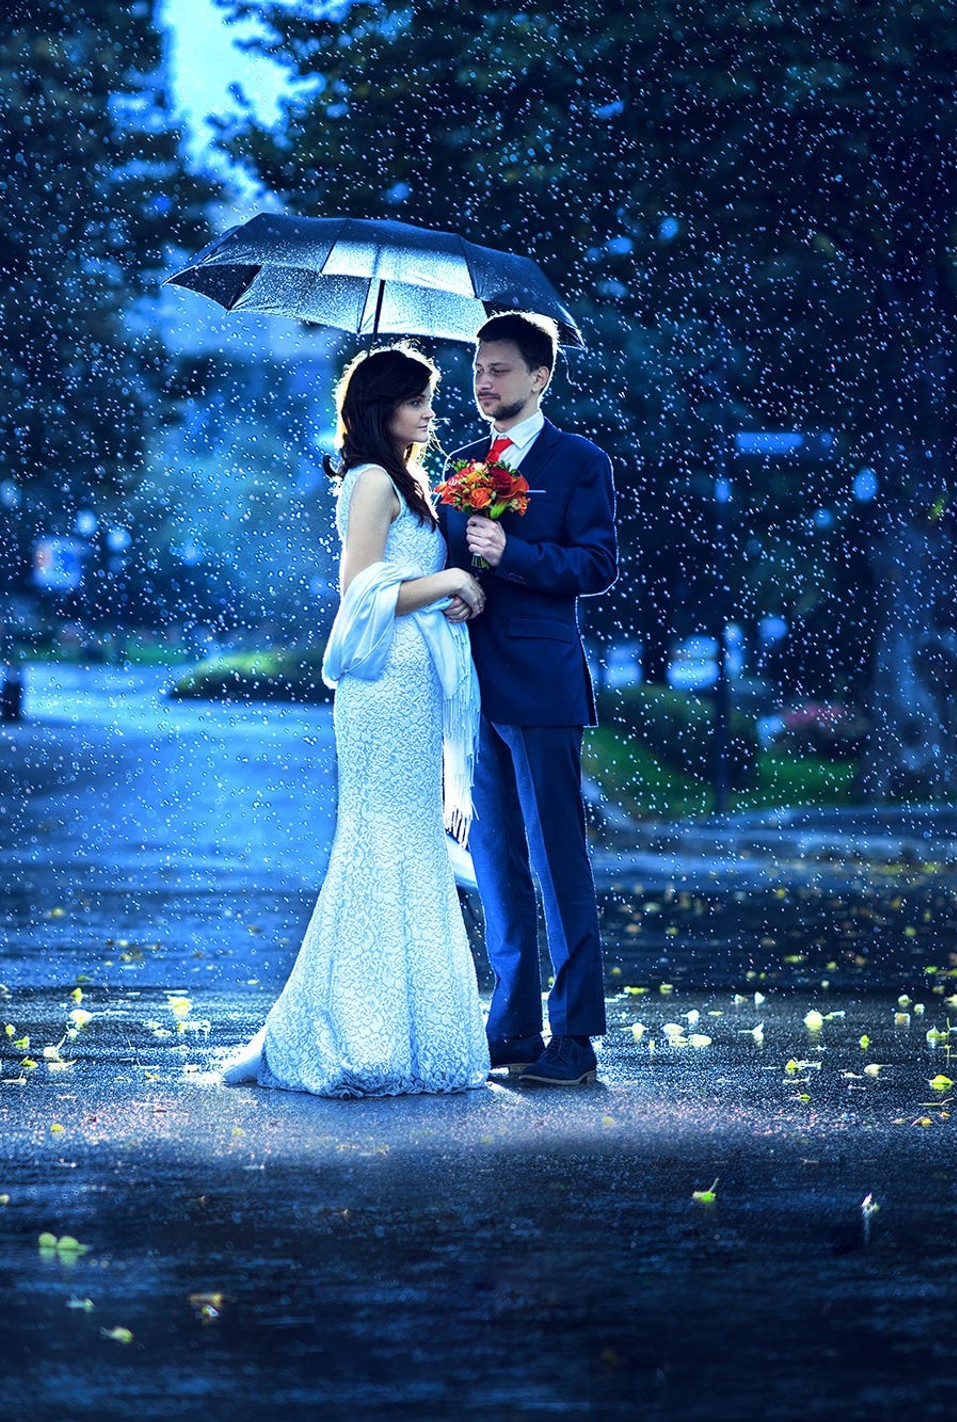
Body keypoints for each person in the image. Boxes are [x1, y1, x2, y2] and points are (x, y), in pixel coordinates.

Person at [220, 344, 492, 1097]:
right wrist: (448, 579)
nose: (433, 412)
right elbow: (361, 592)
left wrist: (461, 589)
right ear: (383, 408)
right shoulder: (372, 481)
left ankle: (410, 1033)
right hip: (381, 687)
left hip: (419, 680)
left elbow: (419, 585)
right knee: (375, 843)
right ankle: (334, 1034)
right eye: (418, 399)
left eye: (431, 399)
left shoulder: (412, 481)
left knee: (409, 843)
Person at [440, 312, 618, 1087]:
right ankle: (511, 1027)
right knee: (496, 865)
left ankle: (575, 1036)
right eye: (479, 367)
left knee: (557, 865)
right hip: (472, 687)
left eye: (502, 368)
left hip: (543, 688)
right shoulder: (461, 460)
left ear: (541, 377)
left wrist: (515, 555)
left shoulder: (580, 461)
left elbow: (595, 563)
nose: (485, 381)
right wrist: (461, 583)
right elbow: (447, 558)